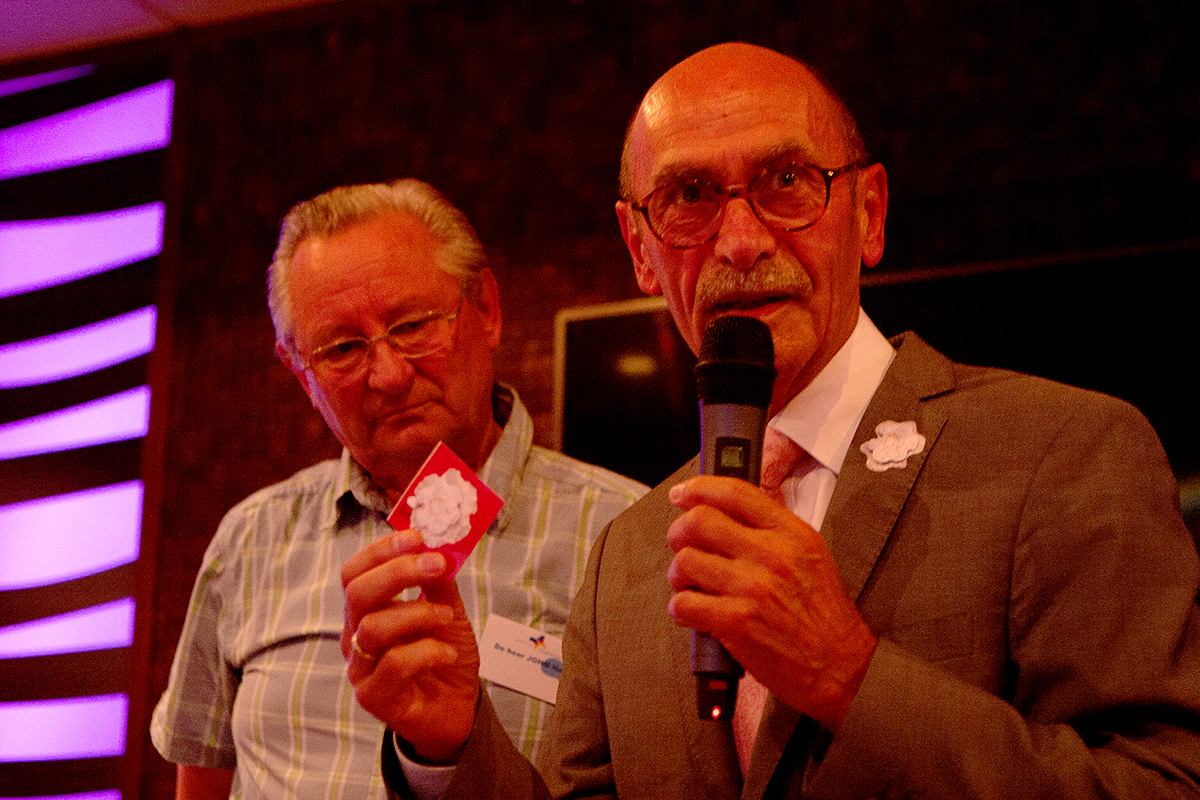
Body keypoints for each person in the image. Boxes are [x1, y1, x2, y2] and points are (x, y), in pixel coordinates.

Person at [357, 43, 1200, 798]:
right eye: (689, 195)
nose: (740, 241)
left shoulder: (1064, 450)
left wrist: (853, 677)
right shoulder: (627, 554)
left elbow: (1162, 784)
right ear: (641, 250)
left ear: (868, 213)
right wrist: (450, 751)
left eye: (787, 181)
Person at [150, 178, 647, 799]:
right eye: (342, 348)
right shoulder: (250, 540)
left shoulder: (626, 536)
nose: (387, 375)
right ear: (300, 373)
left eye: (412, 325)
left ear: (487, 309)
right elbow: (201, 776)